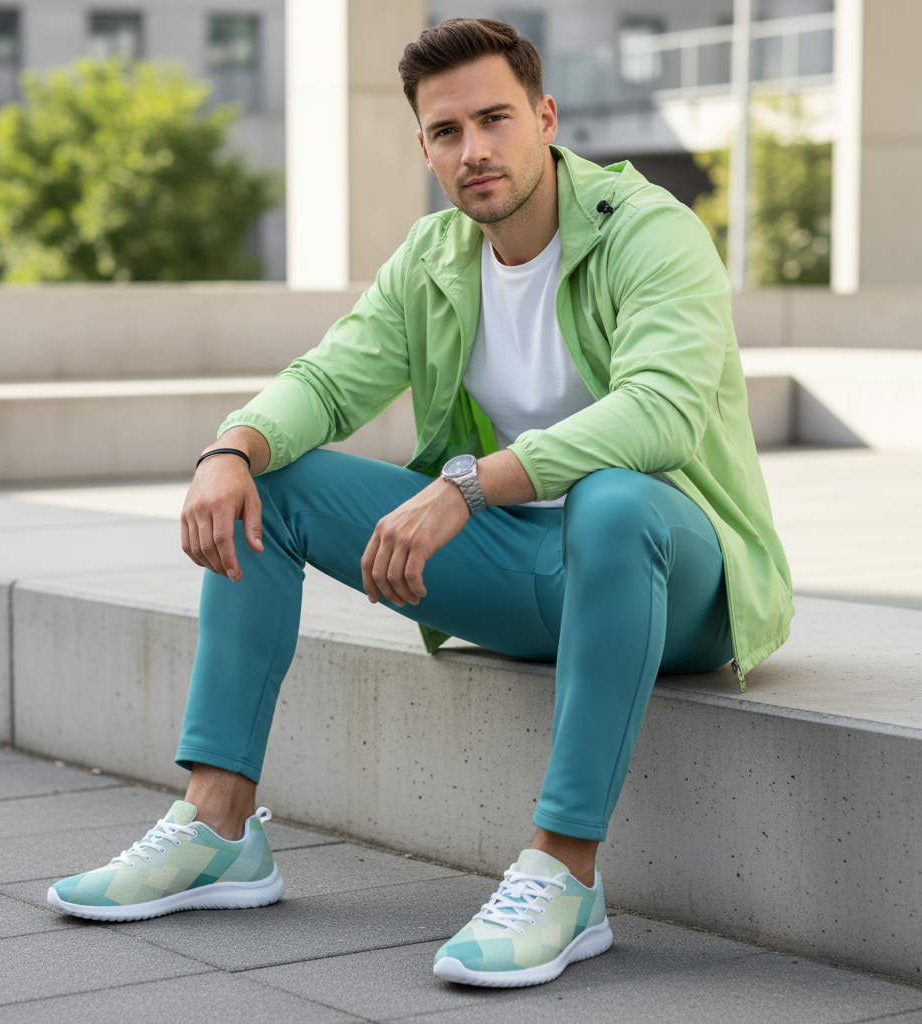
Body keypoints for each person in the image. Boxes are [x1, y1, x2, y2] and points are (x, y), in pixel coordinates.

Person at [47, 18, 792, 988]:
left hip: (672, 579)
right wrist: (229, 447)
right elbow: (327, 382)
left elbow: (658, 413)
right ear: (425, 148)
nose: (474, 150)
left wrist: (468, 484)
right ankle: (217, 825)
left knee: (612, 500)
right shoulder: (436, 259)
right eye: (447, 131)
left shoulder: (648, 231)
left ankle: (563, 877)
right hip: (528, 572)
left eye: (494, 118)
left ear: (545, 116)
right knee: (267, 482)